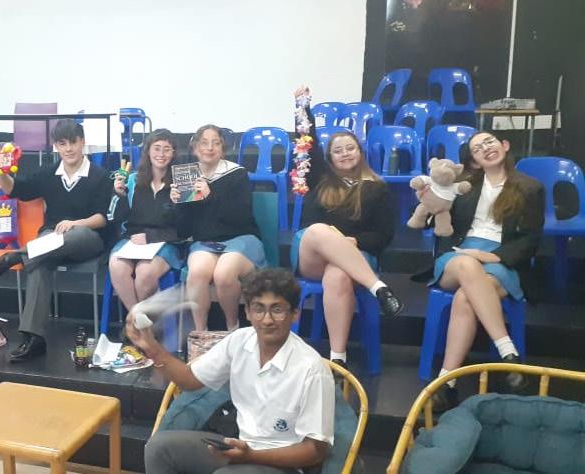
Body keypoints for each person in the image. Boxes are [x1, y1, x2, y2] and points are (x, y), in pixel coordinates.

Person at [129, 268, 334, 474]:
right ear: (248, 312)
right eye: (259, 309)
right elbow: (189, 380)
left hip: (284, 465)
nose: (267, 320)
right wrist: (152, 348)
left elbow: (315, 451)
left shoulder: (311, 369)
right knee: (159, 449)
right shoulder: (239, 341)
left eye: (277, 310)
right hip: (241, 447)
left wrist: (251, 456)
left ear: (295, 314)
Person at [289, 86, 404, 369]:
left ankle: (337, 359)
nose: (344, 154)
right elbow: (307, 141)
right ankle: (379, 289)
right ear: (329, 157)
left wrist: (355, 242)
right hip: (311, 254)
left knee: (338, 275)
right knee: (319, 230)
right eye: (337, 151)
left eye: (350, 148)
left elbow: (383, 236)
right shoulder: (320, 179)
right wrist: (303, 106)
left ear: (360, 152)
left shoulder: (378, 189)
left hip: (355, 257)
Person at [428, 131, 544, 411]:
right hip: (459, 255)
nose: (486, 148)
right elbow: (436, 216)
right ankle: (508, 352)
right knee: (467, 265)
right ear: (474, 160)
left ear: (504, 145)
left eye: (490, 142)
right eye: (477, 148)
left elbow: (529, 240)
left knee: (464, 298)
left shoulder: (530, 188)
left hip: (501, 259)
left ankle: (446, 383)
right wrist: (432, 198)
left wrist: (491, 256)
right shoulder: (464, 186)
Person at [0, 119, 112, 362]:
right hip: (49, 240)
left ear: (83, 142)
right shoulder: (50, 173)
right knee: (39, 263)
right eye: (63, 144)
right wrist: (1, 171)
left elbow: (103, 218)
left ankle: (14, 256)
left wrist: (76, 223)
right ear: (56, 147)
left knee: (73, 235)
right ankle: (34, 338)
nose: (69, 149)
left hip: (86, 238)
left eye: (73, 142)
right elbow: (15, 190)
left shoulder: (99, 176)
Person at [172, 125, 266, 332]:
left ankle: (232, 327)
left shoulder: (237, 174)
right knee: (197, 273)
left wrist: (210, 196)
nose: (209, 148)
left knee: (224, 274)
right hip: (205, 242)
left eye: (215, 143)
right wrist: (178, 204)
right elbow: (184, 230)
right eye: (204, 143)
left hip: (240, 239)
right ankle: (201, 333)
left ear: (223, 149)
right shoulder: (188, 176)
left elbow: (240, 217)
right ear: (195, 148)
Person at [108, 129, 187, 311]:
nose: (161, 154)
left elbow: (186, 229)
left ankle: (136, 324)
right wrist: (119, 195)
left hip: (167, 243)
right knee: (117, 266)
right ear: (148, 151)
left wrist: (151, 236)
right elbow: (115, 218)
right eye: (156, 148)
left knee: (144, 274)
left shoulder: (181, 183)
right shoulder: (132, 180)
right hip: (132, 241)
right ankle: (138, 320)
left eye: (167, 149)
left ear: (174, 153)